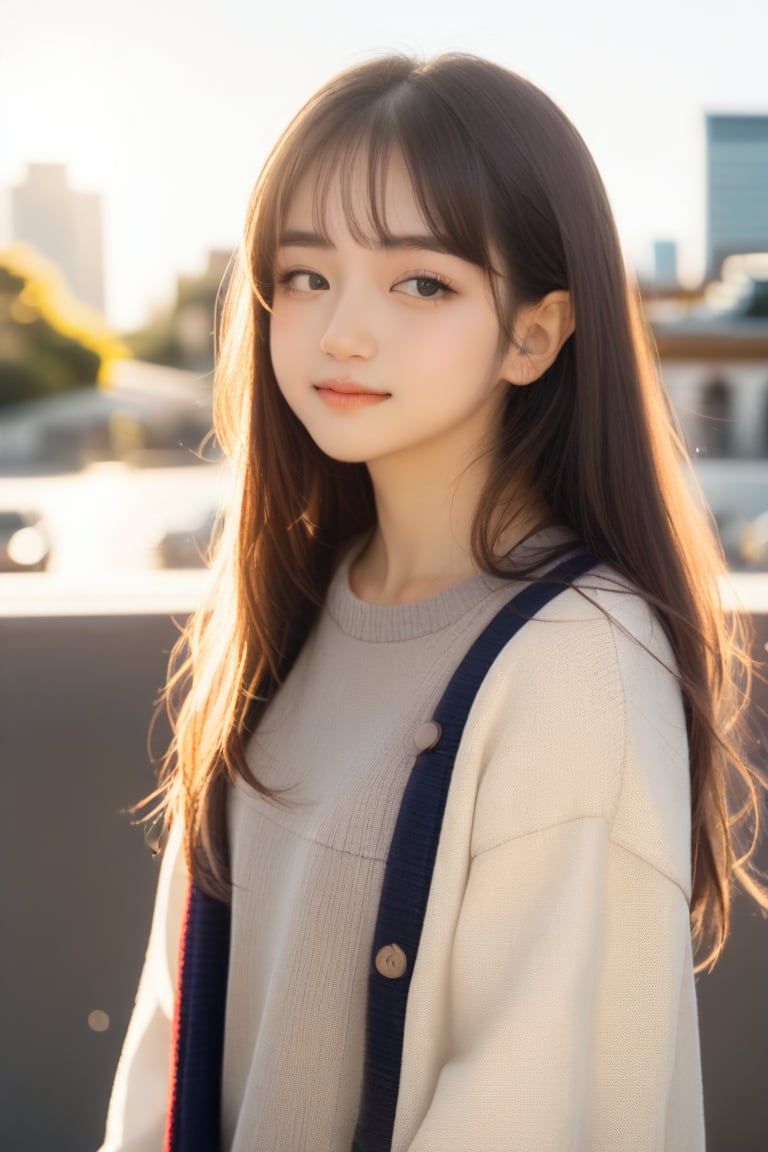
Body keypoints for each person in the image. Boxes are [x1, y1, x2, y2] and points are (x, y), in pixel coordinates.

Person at [99, 54, 766, 1152]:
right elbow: (167, 1044)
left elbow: (520, 1106)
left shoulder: (575, 658)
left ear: (535, 334)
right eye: (306, 277)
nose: (343, 332)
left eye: (422, 284)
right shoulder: (288, 612)